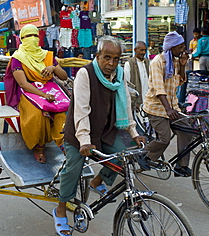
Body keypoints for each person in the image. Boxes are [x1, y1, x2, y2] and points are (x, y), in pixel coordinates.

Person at [52, 35, 146, 236]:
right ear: (97, 56)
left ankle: (97, 181)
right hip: (80, 132)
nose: (111, 63)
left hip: (106, 130)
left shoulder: (120, 74)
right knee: (73, 168)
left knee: (125, 158)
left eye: (116, 59)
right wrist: (85, 141)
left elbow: (126, 105)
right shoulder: (85, 74)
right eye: (107, 57)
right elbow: (81, 110)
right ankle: (60, 208)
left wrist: (133, 132)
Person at [4, 24, 68, 164]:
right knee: (38, 114)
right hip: (28, 91)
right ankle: (39, 147)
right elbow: (23, 84)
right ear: (22, 39)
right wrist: (43, 96)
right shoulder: (18, 58)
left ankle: (63, 143)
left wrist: (53, 68)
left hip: (50, 89)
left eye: (35, 36)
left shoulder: (47, 56)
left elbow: (63, 76)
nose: (32, 39)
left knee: (62, 111)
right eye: (28, 36)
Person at [139, 31, 194, 177]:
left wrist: (183, 65)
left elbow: (180, 81)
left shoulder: (175, 61)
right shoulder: (158, 61)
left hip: (172, 106)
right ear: (171, 48)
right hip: (156, 107)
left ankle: (181, 165)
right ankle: (144, 156)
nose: (183, 50)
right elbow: (159, 88)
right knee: (164, 138)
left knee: (187, 131)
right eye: (180, 47)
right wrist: (168, 110)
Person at [124, 41, 150, 107]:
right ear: (135, 50)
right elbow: (126, 85)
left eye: (145, 50)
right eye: (141, 50)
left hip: (148, 102)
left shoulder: (148, 63)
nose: (143, 52)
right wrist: (133, 102)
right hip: (137, 103)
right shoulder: (129, 64)